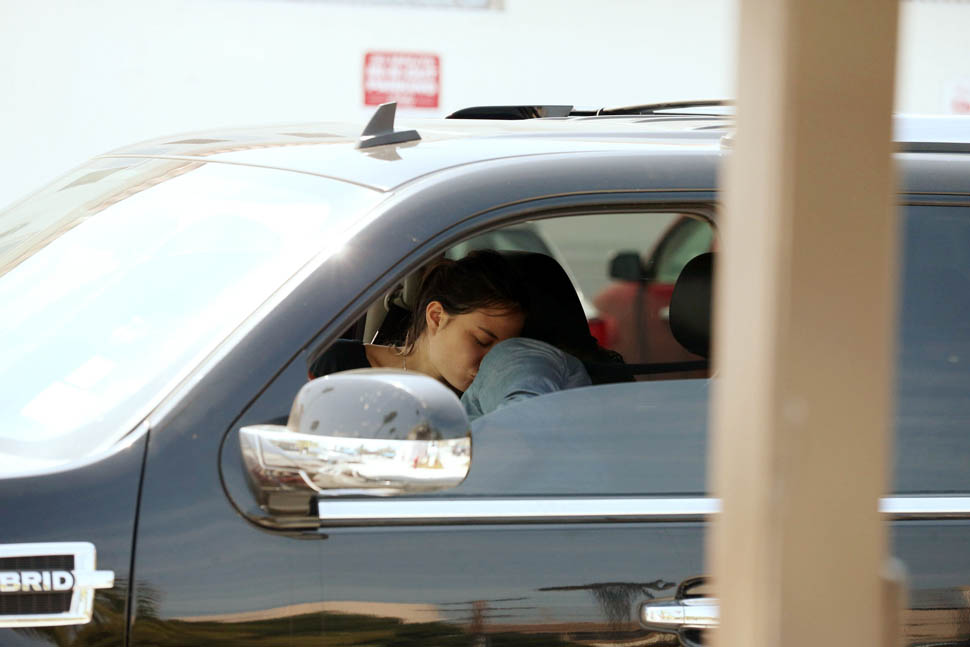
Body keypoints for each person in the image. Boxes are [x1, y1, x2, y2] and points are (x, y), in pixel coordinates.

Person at [309, 250, 528, 394]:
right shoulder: (336, 365)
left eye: (505, 352)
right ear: (436, 317)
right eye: (481, 341)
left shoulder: (485, 408)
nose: (491, 363)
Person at [460, 337, 591, 420]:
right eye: (483, 341)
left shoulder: (512, 354)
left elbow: (521, 417)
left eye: (482, 340)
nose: (484, 360)